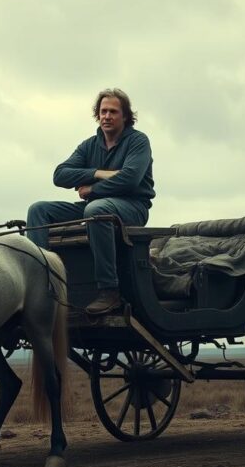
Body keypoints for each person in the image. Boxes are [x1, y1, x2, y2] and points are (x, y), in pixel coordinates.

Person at [27, 88, 155, 315]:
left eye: (113, 112)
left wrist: (92, 190)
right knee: (38, 210)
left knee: (96, 209)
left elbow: (130, 179)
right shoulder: (90, 145)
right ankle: (40, 283)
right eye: (103, 111)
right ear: (98, 115)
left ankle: (109, 291)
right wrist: (98, 173)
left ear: (125, 116)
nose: (107, 116)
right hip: (94, 208)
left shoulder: (138, 141)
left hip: (132, 208)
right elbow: (60, 175)